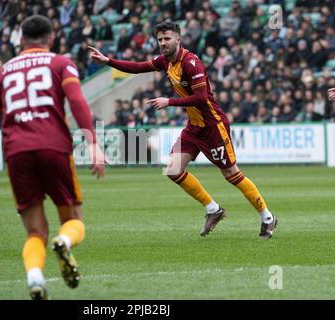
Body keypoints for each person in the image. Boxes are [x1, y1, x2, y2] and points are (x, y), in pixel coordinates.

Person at [89, 21, 277, 238]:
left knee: (231, 174)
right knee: (173, 169)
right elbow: (138, 67)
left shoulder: (191, 63)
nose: (163, 43)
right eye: (160, 39)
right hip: (194, 127)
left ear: (178, 39)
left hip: (213, 126)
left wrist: (169, 101)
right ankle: (213, 209)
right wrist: (107, 61)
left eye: (167, 39)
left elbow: (201, 97)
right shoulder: (166, 61)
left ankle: (267, 217)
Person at [0, 15, 106, 300]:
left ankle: (35, 277)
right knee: (74, 219)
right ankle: (64, 240)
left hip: (17, 154)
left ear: (20, 41)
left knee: (34, 231)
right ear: (51, 39)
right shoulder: (60, 63)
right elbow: (76, 101)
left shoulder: (2, 72)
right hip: (54, 148)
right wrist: (93, 142)